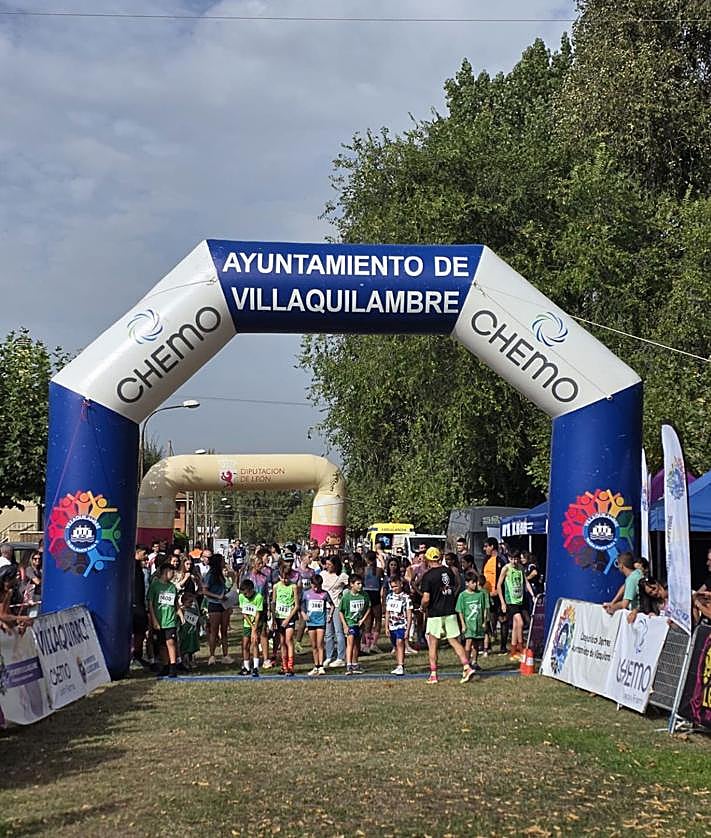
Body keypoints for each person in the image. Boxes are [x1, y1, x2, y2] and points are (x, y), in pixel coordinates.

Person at [420, 547, 475, 685]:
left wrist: (422, 607)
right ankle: (466, 666)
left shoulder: (428, 576)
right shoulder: (449, 571)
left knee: (433, 644)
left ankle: (433, 674)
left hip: (435, 614)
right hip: (450, 611)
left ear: (427, 559)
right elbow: (455, 585)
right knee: (454, 641)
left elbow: (426, 598)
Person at [496, 551, 531, 661]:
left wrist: (532, 594)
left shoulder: (520, 568)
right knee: (520, 622)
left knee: (516, 626)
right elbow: (498, 586)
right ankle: (520, 648)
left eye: (516, 559)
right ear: (509, 558)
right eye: (512, 559)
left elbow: (526, 582)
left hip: (519, 600)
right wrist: (502, 602)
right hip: (510, 600)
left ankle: (513, 651)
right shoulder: (506, 569)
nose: (514, 562)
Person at [147, 560, 179, 677]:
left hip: (170, 620)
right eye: (172, 572)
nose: (173, 575)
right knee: (161, 644)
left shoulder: (172, 587)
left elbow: (175, 603)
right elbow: (150, 603)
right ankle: (165, 665)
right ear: (166, 572)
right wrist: (154, 620)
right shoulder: (155, 586)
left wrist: (179, 614)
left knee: (170, 642)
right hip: (159, 620)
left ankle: (173, 666)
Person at [456, 571, 490, 670]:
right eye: (472, 582)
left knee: (476, 644)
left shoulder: (481, 594)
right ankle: (466, 663)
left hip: (478, 623)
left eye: (476, 582)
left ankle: (474, 661)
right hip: (468, 623)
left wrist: (484, 621)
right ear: (467, 583)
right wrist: (463, 624)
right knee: (468, 642)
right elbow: (460, 611)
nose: (475, 584)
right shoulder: (463, 595)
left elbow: (485, 608)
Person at [203, 554, 233, 665]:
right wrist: (217, 596)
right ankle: (212, 656)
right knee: (214, 631)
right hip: (214, 604)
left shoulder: (222, 575)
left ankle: (225, 655)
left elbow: (231, 581)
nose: (224, 562)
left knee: (224, 630)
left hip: (224, 604)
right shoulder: (210, 575)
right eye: (222, 561)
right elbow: (205, 591)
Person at [272, 559, 300, 676]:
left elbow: (297, 605)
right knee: (282, 641)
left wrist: (288, 619)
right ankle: (284, 666)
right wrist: (273, 618)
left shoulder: (293, 587)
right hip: (279, 617)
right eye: (283, 578)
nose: (285, 580)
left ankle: (290, 665)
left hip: (290, 617)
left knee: (289, 640)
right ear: (279, 576)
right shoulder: (276, 587)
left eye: (287, 578)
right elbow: (273, 602)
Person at [301, 573, 333, 675]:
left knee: (320, 644)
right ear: (311, 584)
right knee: (314, 645)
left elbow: (332, 605)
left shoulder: (324, 594)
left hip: (321, 622)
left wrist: (330, 615)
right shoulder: (306, 594)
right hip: (311, 622)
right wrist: (303, 615)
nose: (316, 589)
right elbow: (301, 607)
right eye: (314, 586)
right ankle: (316, 666)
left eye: (318, 587)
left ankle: (321, 666)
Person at [339, 573, 371, 675]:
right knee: (350, 643)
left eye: (361, 583)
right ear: (351, 584)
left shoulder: (364, 595)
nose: (360, 586)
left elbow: (368, 607)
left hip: (359, 623)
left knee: (357, 644)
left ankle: (355, 663)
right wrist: (345, 625)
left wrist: (363, 620)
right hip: (350, 623)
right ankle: (348, 665)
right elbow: (341, 611)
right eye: (358, 584)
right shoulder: (346, 597)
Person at [322, 555, 349, 668]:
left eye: (330, 565)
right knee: (328, 634)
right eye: (326, 564)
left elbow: (350, 584)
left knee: (339, 632)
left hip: (337, 606)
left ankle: (340, 657)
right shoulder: (323, 574)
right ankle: (329, 656)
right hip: (326, 607)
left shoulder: (342, 576)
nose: (327, 567)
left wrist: (344, 595)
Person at [384, 575, 413, 676]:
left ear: (401, 584)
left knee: (400, 642)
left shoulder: (406, 598)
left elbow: (409, 614)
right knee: (396, 645)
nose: (394, 589)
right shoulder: (389, 597)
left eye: (396, 586)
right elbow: (387, 612)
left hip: (402, 625)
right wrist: (386, 626)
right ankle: (398, 664)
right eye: (392, 587)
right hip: (392, 625)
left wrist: (408, 629)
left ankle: (401, 665)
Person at [482, 537, 507, 653]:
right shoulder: (486, 559)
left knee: (502, 619)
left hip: (499, 594)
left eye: (486, 546)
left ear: (492, 546)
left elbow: (504, 577)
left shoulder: (501, 559)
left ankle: (503, 647)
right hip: (487, 594)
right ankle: (488, 645)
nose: (484, 549)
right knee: (489, 620)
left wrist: (498, 590)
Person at [238, 578, 263, 676]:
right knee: (245, 645)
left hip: (256, 623)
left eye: (246, 593)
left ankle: (256, 667)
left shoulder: (258, 597)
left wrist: (255, 628)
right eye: (243, 593)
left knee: (255, 643)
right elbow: (244, 613)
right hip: (247, 624)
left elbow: (258, 613)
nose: (245, 595)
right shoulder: (241, 597)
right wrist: (251, 626)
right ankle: (246, 667)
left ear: (252, 590)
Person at [0, 564, 33, 634]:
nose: (17, 579)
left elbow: (6, 614)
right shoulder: (2, 593)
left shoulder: (9, 592)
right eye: (15, 576)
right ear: (7, 579)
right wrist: (21, 618)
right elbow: (2, 616)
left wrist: (17, 624)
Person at [362, 550, 384, 654]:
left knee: (368, 621)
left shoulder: (363, 570)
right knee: (378, 620)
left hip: (366, 594)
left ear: (366, 559)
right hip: (375, 594)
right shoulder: (379, 570)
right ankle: (373, 644)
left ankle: (366, 644)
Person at [132, 544, 150, 667]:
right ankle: (133, 655)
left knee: (141, 631)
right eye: (144, 554)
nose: (146, 557)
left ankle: (137, 655)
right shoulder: (131, 567)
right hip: (134, 604)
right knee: (136, 631)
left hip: (140, 603)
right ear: (137, 553)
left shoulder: (140, 568)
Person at [177, 590, 200, 669]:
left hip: (192, 631)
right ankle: (184, 661)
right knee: (184, 647)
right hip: (184, 632)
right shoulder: (181, 610)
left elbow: (197, 618)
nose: (191, 604)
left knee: (192, 647)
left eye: (192, 602)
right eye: (189, 602)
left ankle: (191, 660)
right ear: (183, 602)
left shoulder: (193, 610)